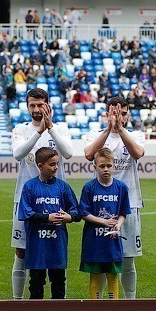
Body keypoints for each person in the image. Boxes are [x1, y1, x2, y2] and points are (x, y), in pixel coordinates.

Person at [10, 88, 73, 299]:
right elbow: (18, 154)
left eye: (40, 105)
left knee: (54, 252)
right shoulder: (21, 129)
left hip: (55, 200)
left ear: (48, 105)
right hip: (26, 200)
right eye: (32, 105)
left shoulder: (60, 129)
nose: (36, 110)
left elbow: (68, 153)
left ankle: (56, 300)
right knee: (21, 251)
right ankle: (18, 301)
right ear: (27, 106)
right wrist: (39, 131)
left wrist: (50, 127)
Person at [84, 96, 145, 298]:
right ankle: (99, 304)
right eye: (114, 113)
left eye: (124, 113)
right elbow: (89, 153)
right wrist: (109, 129)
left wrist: (120, 129)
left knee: (128, 259)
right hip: (101, 208)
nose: (119, 116)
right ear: (107, 113)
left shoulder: (135, 134)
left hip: (129, 205)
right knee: (101, 259)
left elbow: (137, 153)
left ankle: (130, 302)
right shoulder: (97, 134)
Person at [17, 147, 79, 299]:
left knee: (58, 283)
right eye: (52, 164)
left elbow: (77, 212)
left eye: (57, 164)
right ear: (40, 166)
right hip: (37, 246)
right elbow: (25, 213)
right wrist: (48, 218)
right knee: (36, 284)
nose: (56, 167)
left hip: (57, 246)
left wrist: (68, 217)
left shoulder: (63, 187)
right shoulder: (30, 186)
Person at [79, 147, 130, 299]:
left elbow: (123, 213)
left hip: (112, 242)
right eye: (102, 166)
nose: (106, 169)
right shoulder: (89, 187)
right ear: (95, 167)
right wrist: (104, 221)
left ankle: (112, 308)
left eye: (109, 165)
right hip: (94, 241)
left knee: (113, 275)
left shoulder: (121, 187)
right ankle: (95, 306)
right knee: (95, 275)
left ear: (114, 165)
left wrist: (118, 225)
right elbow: (83, 213)